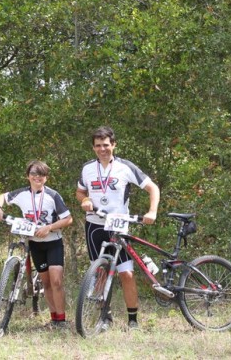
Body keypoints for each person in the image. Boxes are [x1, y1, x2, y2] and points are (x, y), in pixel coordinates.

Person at [76, 126, 160, 330]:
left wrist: (152, 212)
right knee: (100, 273)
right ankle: (105, 317)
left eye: (106, 145)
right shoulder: (87, 168)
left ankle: (133, 321)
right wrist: (85, 199)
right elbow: (79, 192)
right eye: (98, 146)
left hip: (119, 225)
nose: (102, 149)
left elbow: (153, 188)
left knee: (126, 274)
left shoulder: (125, 167)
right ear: (93, 147)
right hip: (95, 225)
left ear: (114, 145)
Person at [0, 160, 73, 329]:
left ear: (46, 178)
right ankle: (54, 319)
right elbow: (2, 196)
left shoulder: (53, 195)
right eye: (34, 175)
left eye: (41, 175)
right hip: (35, 244)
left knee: (56, 281)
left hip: (53, 242)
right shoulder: (21, 194)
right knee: (46, 283)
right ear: (28, 176)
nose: (37, 178)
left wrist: (49, 227)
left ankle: (62, 320)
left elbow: (68, 219)